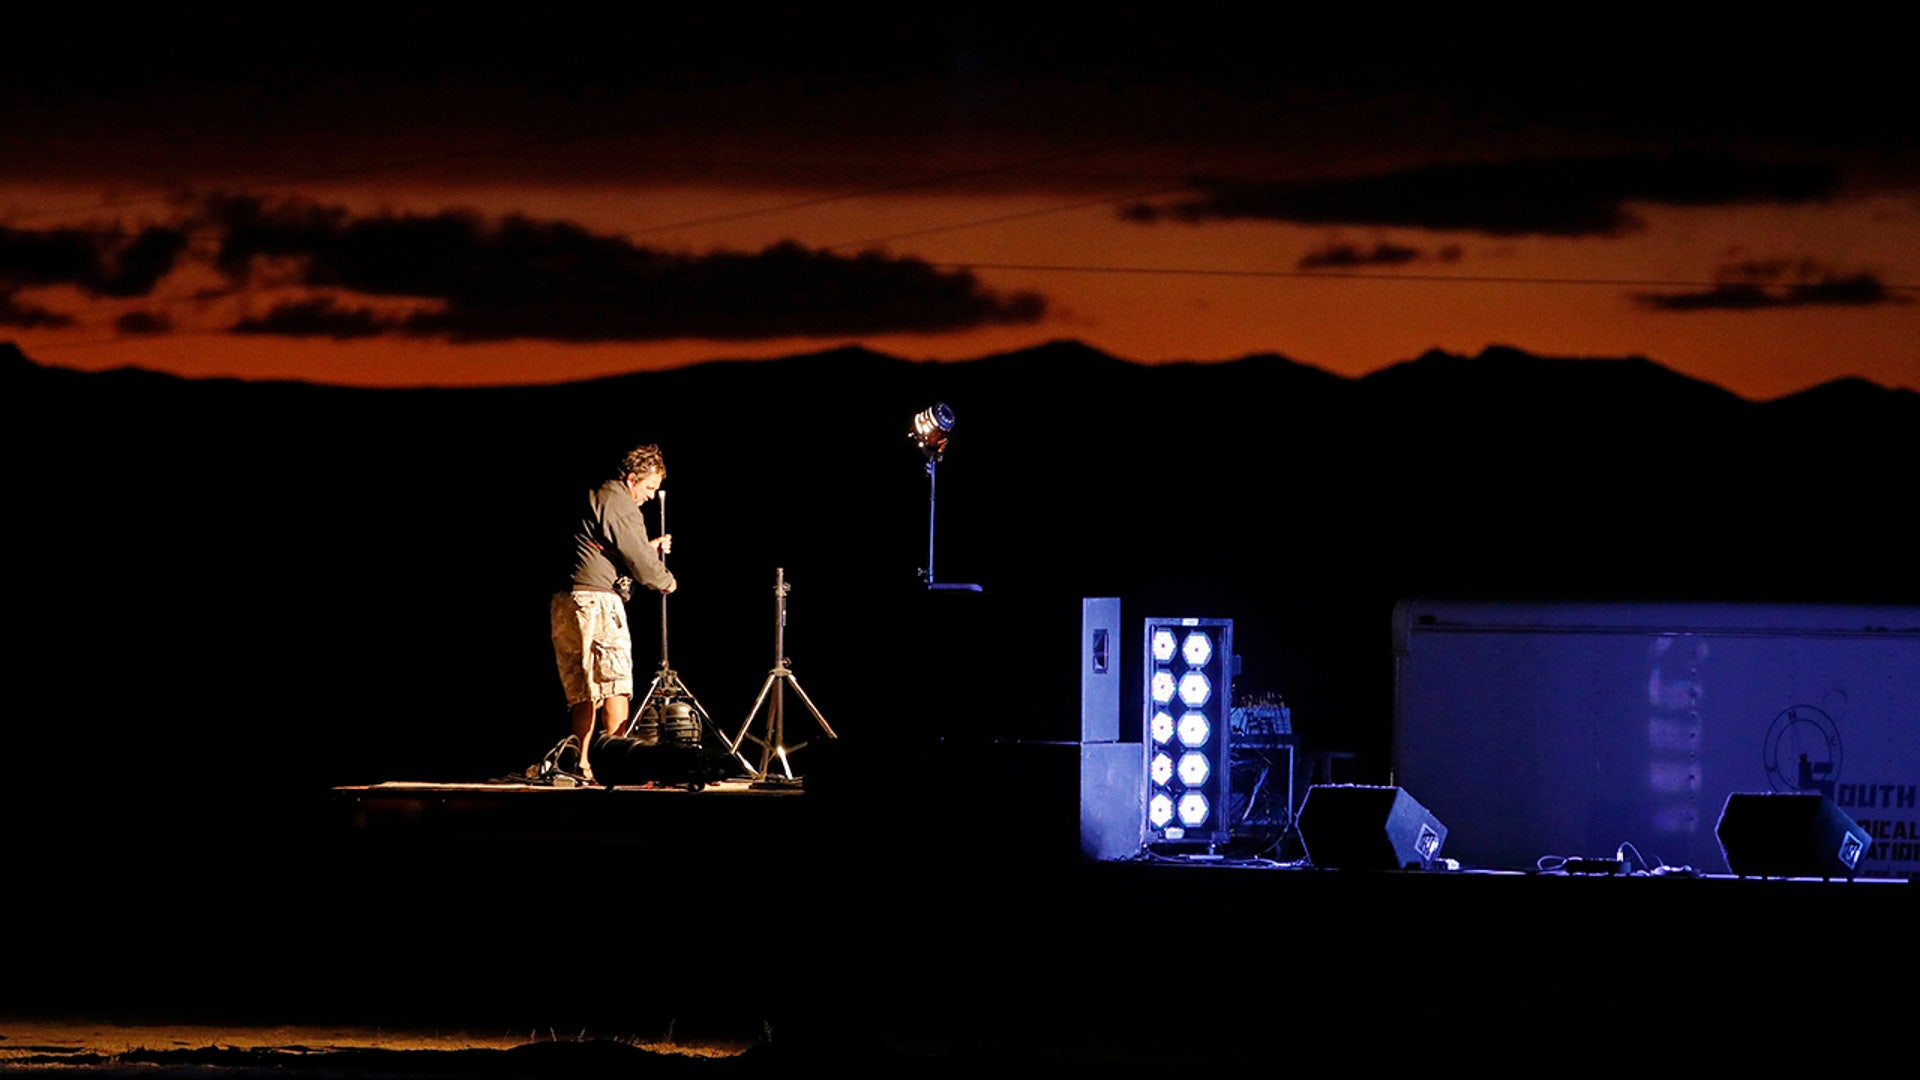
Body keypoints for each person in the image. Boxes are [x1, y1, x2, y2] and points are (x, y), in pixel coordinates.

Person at [549, 444, 677, 782]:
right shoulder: (619, 499)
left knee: (583, 691)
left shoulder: (597, 495)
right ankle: (618, 764)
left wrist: (648, 548)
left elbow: (608, 548)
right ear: (632, 479)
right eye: (649, 488)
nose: (651, 496)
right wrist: (665, 579)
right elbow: (636, 558)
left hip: (568, 600)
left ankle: (583, 765)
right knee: (615, 683)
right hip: (597, 602)